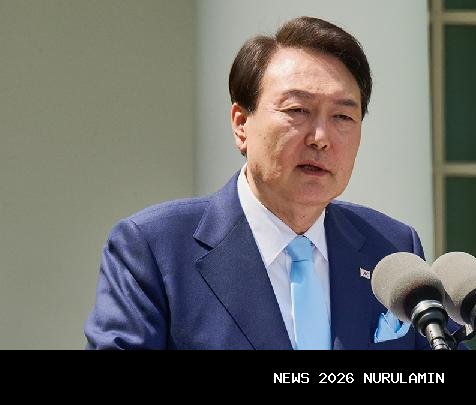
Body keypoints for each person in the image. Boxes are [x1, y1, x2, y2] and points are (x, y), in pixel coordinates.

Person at [85, 16, 454, 349]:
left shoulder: (391, 249)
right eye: (297, 110)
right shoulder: (154, 247)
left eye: (343, 116)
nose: (320, 138)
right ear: (240, 124)